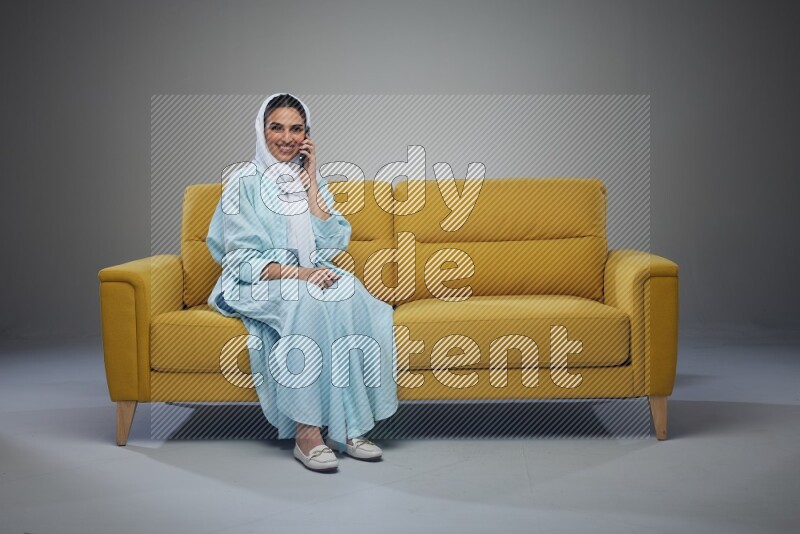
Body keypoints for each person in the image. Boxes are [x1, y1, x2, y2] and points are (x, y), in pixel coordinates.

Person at [205, 93, 399, 472]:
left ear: (307, 135)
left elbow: (332, 241)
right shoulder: (243, 182)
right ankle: (307, 433)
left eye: (297, 129)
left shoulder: (309, 178)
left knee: (352, 297)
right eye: (276, 127)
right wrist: (303, 275)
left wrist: (310, 181)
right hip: (258, 279)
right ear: (262, 132)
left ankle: (350, 426)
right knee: (305, 301)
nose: (287, 137)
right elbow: (242, 261)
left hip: (310, 270)